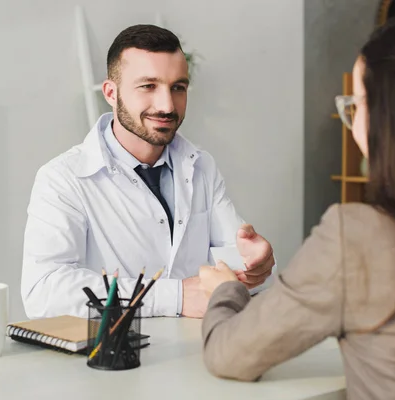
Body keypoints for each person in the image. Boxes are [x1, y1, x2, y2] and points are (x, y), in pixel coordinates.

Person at [199, 13, 395, 400]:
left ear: (388, 115)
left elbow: (228, 354)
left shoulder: (359, 235)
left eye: (357, 104)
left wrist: (228, 290)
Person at [21, 24, 276, 320]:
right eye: (148, 86)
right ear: (111, 93)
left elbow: (234, 264)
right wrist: (176, 297)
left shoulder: (201, 166)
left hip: (198, 352)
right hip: (112, 359)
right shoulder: (62, 178)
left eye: (178, 87)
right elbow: (44, 292)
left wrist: (256, 265)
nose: (167, 105)